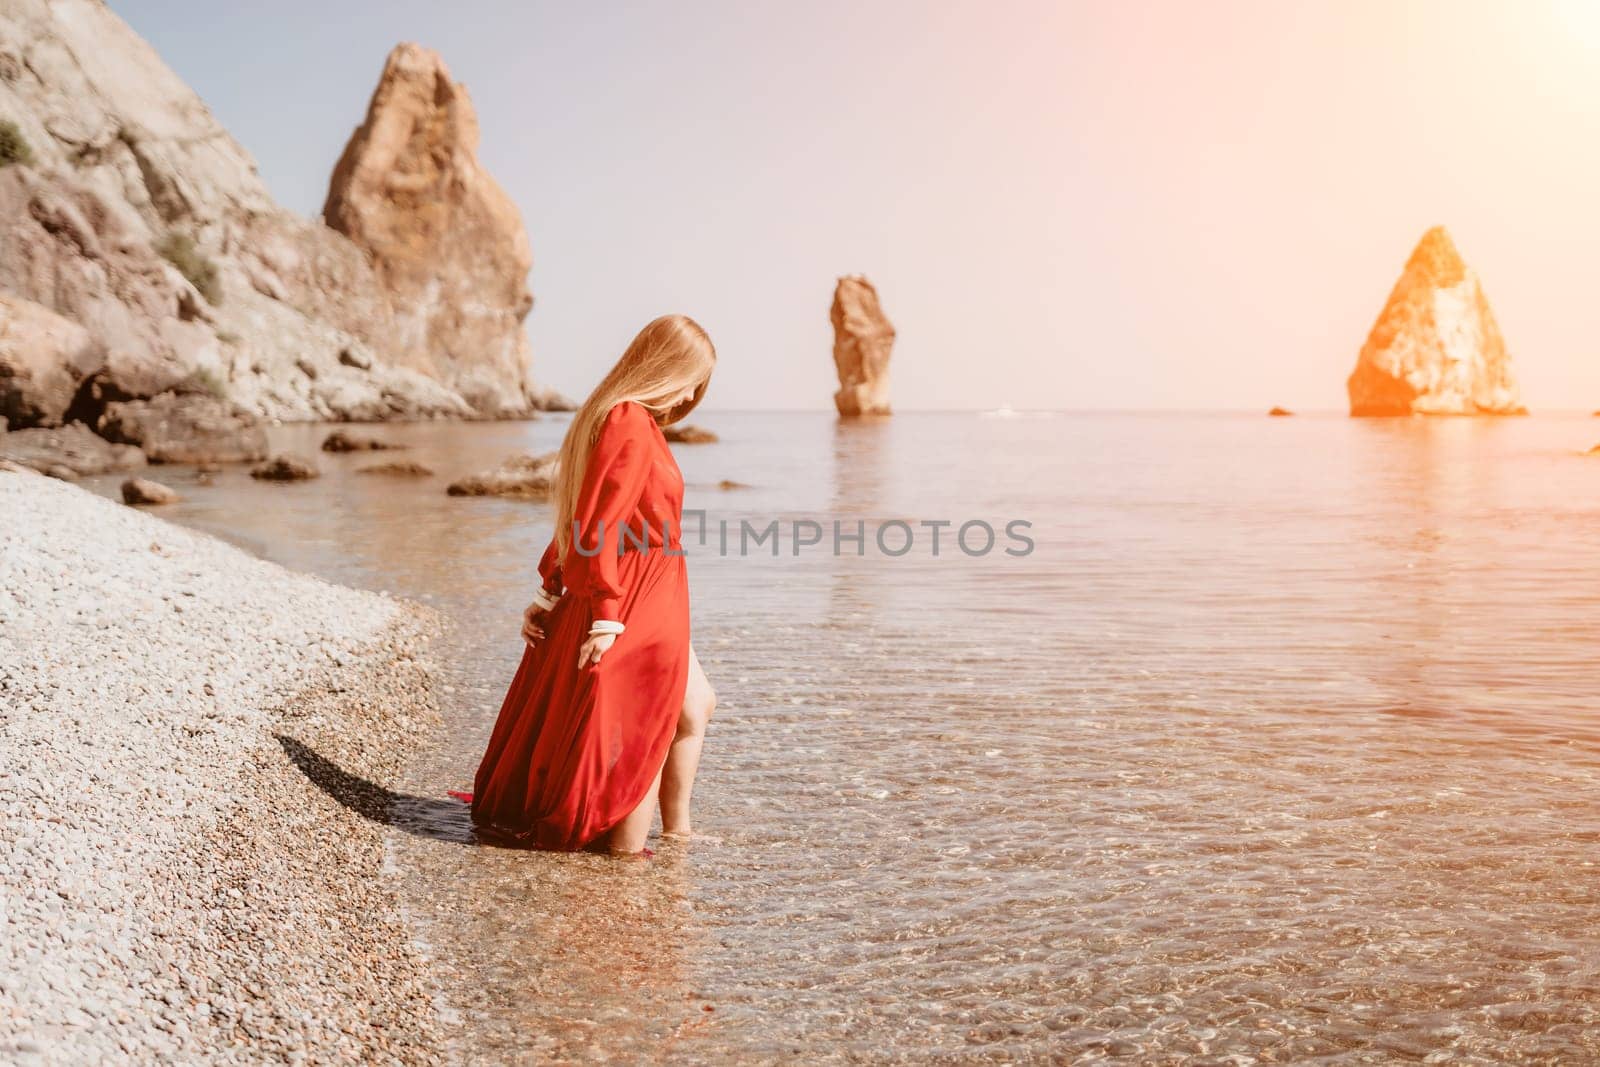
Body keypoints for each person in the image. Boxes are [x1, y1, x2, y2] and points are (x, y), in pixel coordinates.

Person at [459, 314, 718, 856]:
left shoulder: (630, 419)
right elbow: (598, 518)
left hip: (657, 583)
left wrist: (549, 590)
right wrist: (604, 612)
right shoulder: (627, 418)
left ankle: (678, 837)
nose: (696, 392)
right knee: (650, 717)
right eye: (694, 376)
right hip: (640, 587)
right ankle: (628, 858)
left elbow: (584, 513)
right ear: (666, 367)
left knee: (695, 704)